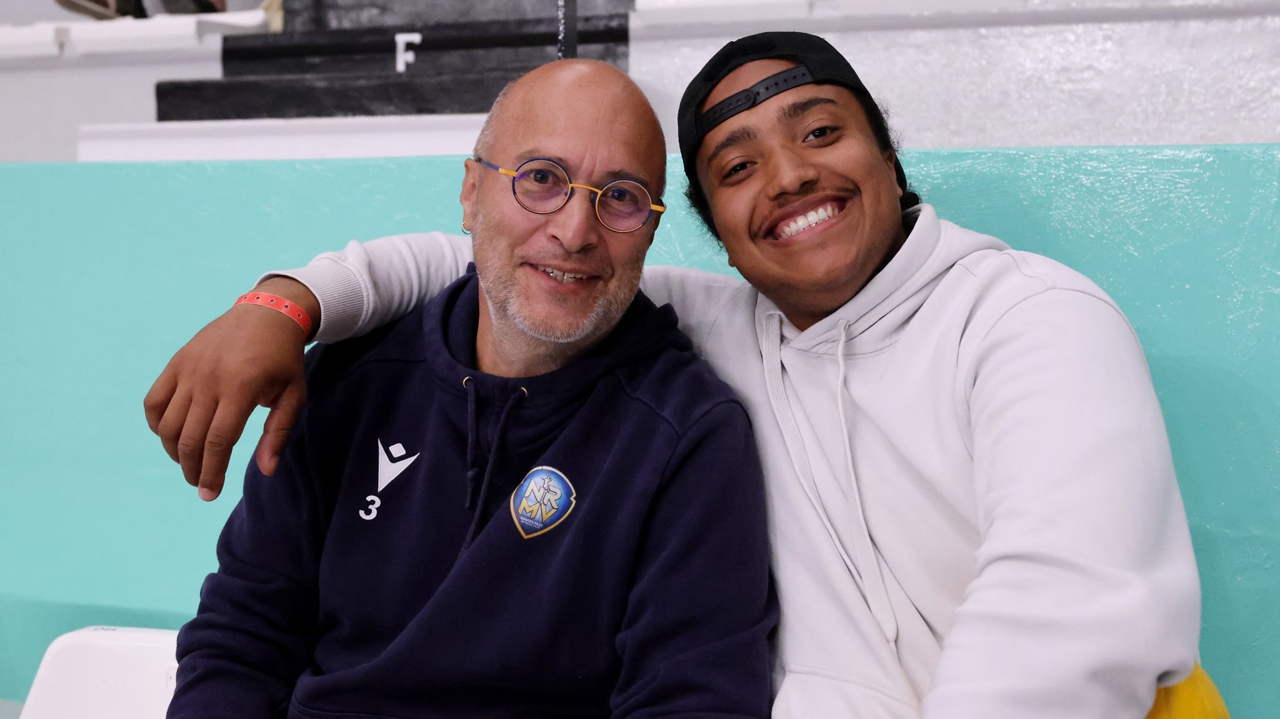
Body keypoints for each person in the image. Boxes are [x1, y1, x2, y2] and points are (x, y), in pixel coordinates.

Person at [147, 33, 1218, 719]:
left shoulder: (1031, 320)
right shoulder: (731, 320)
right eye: (738, 167)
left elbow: (1057, 614)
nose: (789, 175)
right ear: (717, 235)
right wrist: (284, 303)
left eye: (819, 132)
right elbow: (494, 270)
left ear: (886, 157)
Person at [164, 59, 777, 719]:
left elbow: (693, 702)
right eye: (542, 179)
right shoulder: (350, 380)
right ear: (470, 192)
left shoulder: (688, 435)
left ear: (650, 228)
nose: (575, 231)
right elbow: (243, 637)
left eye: (621, 195)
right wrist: (281, 302)